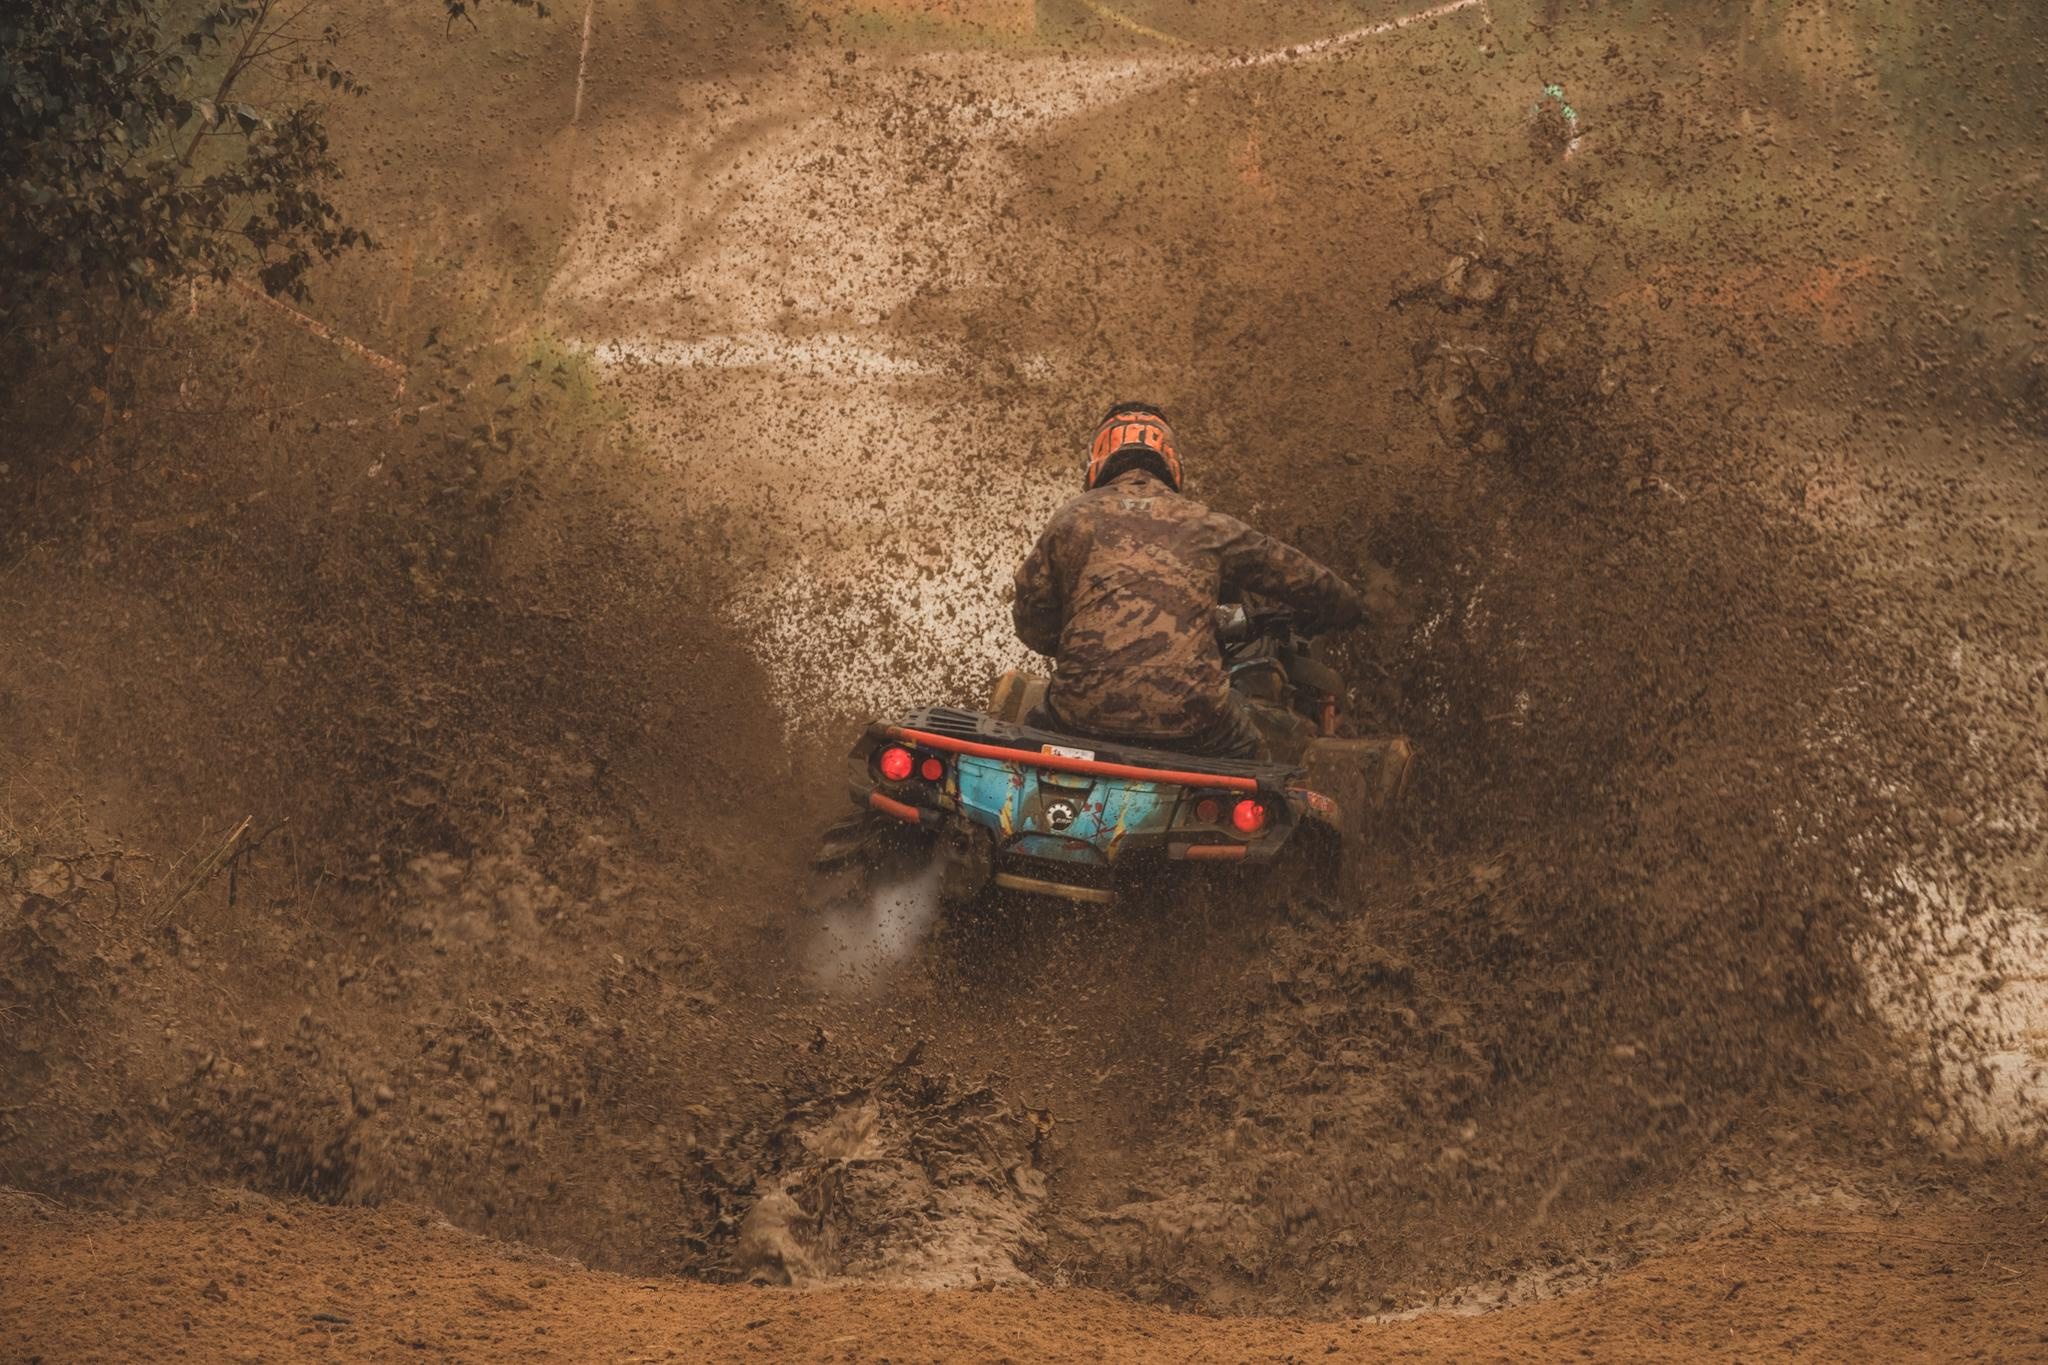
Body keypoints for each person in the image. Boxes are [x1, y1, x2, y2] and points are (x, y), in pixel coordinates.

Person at [1011, 401, 1364, 760]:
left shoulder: (1070, 521)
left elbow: (1032, 627)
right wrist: (1350, 607)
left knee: (1021, 750)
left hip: (1079, 715)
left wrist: (1091, 639)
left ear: (1098, 459)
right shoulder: (1205, 524)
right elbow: (1301, 576)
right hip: (1192, 722)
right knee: (1265, 772)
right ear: (1171, 462)